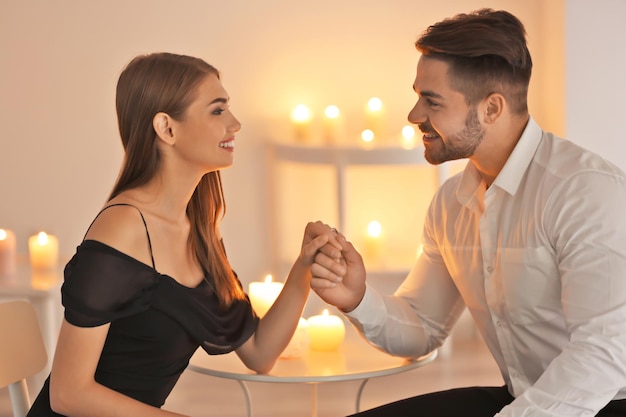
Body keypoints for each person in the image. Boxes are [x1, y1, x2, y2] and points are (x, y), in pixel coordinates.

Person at [311, 9, 626, 417]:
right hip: (524, 400)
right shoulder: (451, 204)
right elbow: (423, 325)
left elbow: (604, 353)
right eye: (417, 95)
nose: (414, 115)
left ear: (491, 109)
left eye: (432, 101)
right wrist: (355, 298)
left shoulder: (584, 191)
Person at [26, 52, 343, 416]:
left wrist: (304, 267)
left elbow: (260, 351)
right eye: (217, 110)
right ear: (167, 128)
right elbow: (68, 395)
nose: (235, 124)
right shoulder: (123, 229)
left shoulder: (198, 228)